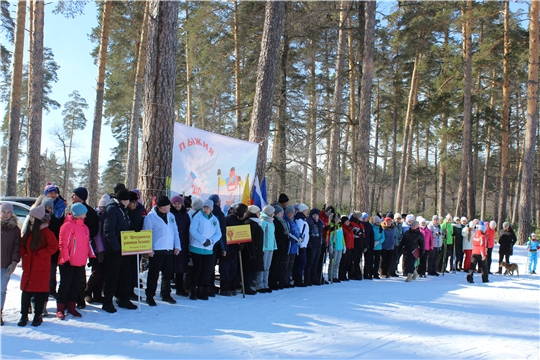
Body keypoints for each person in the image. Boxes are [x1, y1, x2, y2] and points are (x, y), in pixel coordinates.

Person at [18, 205, 58, 327]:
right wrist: (24, 255)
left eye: (32, 217)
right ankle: (24, 315)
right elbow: (22, 245)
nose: (30, 219)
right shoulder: (29, 231)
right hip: (29, 267)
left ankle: (38, 316)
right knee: (26, 292)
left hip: (41, 267)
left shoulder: (47, 232)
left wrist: (41, 254)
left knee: (40, 293)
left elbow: (54, 247)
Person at [56, 203, 95, 320]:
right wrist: (65, 258)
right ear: (78, 213)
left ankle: (72, 306)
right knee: (65, 285)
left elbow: (87, 243)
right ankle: (60, 308)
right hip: (68, 262)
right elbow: (63, 244)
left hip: (80, 261)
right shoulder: (67, 226)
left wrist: (91, 255)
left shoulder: (84, 228)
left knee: (75, 285)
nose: (86, 215)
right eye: (84, 213)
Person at [102, 189, 137, 313]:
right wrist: (116, 247)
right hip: (115, 249)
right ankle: (107, 301)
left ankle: (124, 298)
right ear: (125, 200)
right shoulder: (112, 209)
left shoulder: (122, 209)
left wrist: (134, 231)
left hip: (125, 248)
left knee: (126, 274)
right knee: (112, 276)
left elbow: (125, 225)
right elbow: (108, 230)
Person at [142, 196, 181, 306]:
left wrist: (177, 246)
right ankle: (150, 295)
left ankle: (166, 294)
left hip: (169, 249)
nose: (170, 206)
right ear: (160, 207)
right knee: (153, 275)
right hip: (156, 250)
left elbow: (175, 232)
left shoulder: (171, 216)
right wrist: (148, 249)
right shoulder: (150, 218)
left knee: (167, 275)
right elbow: (146, 234)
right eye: (168, 205)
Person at [189, 199, 222, 300]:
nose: (205, 209)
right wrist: (203, 240)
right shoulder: (198, 216)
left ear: (211, 208)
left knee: (205, 270)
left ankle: (201, 290)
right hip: (197, 247)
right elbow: (193, 230)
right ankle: (193, 290)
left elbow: (218, 233)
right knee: (197, 269)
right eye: (204, 207)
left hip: (208, 248)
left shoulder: (214, 220)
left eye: (207, 207)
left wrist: (211, 241)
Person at [85, 194, 109, 304]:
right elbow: (97, 236)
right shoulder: (98, 216)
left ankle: (98, 294)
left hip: (105, 248)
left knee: (103, 273)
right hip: (97, 249)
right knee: (96, 272)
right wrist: (100, 250)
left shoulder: (106, 215)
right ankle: (88, 291)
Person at [1, 202, 21, 326]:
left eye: (8, 212)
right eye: (3, 211)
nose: (6, 214)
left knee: (1, 290)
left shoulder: (15, 229)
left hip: (5, 264)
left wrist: (14, 262)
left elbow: (17, 247)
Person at [223, 203, 248, 296]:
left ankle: (231, 286)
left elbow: (243, 233)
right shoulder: (229, 219)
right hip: (227, 248)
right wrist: (225, 247)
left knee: (233, 268)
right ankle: (224, 287)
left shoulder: (242, 220)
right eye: (245, 212)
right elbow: (224, 234)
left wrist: (242, 243)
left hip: (236, 248)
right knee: (226, 267)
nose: (246, 214)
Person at [205, 194, 227, 297]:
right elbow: (221, 232)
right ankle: (209, 287)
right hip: (215, 244)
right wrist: (223, 248)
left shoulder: (203, 213)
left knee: (207, 265)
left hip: (204, 243)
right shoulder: (219, 214)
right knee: (211, 266)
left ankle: (206, 286)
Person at [170, 195, 191, 297]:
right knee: (169, 267)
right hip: (172, 243)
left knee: (181, 267)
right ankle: (165, 289)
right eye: (175, 203)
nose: (177, 205)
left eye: (179, 203)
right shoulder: (170, 214)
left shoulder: (186, 215)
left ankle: (180, 288)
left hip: (184, 243)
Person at [257, 205, 277, 292]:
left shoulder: (271, 222)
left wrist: (274, 245)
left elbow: (273, 236)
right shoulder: (263, 222)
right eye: (272, 212)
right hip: (264, 247)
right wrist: (262, 246)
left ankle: (266, 283)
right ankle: (259, 284)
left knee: (267, 266)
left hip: (270, 246)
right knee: (263, 266)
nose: (274, 214)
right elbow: (261, 236)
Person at [270, 205, 288, 291]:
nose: (282, 214)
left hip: (282, 246)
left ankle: (277, 280)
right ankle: (272, 281)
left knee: (279, 265)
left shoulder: (282, 221)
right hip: (277, 246)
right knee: (274, 265)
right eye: (280, 213)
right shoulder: (275, 222)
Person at [305, 208, 323, 286]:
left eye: (317, 215)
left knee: (316, 263)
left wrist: (323, 243)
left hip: (318, 245)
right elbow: (308, 234)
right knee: (310, 263)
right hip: (312, 245)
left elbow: (321, 234)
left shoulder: (319, 223)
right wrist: (309, 244)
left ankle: (314, 278)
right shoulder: (309, 222)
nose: (316, 217)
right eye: (314, 215)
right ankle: (307, 279)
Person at [283, 206, 300, 288]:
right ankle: (284, 280)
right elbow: (288, 233)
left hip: (294, 246)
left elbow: (298, 232)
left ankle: (288, 279)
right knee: (286, 264)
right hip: (289, 246)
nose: (290, 215)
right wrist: (296, 239)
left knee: (290, 264)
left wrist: (300, 238)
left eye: (292, 213)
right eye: (289, 213)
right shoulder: (286, 221)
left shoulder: (294, 222)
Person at [293, 204, 310, 286]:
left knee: (302, 262)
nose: (307, 212)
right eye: (306, 210)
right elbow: (300, 233)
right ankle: (298, 279)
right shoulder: (299, 220)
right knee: (302, 262)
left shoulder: (303, 219)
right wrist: (301, 245)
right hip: (301, 245)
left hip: (304, 245)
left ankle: (298, 278)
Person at [349, 212, 366, 280]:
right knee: (354, 259)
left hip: (361, 244)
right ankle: (352, 273)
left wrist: (365, 244)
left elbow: (363, 234)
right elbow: (354, 234)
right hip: (355, 244)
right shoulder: (352, 223)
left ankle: (357, 272)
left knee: (358, 259)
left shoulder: (361, 224)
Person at [328, 215, 344, 283]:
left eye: (339, 219)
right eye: (336, 219)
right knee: (333, 263)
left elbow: (342, 237)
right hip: (334, 247)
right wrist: (331, 245)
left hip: (340, 247)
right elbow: (330, 237)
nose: (337, 220)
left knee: (337, 262)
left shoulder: (340, 227)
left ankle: (335, 276)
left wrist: (344, 245)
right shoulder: (332, 227)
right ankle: (330, 276)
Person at [339, 216, 354, 281]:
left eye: (348, 221)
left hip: (350, 247)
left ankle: (345, 274)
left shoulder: (349, 228)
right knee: (343, 262)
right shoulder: (342, 228)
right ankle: (342, 275)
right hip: (345, 246)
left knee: (348, 262)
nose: (348, 222)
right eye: (346, 221)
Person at [360, 213, 374, 279]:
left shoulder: (369, 225)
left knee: (368, 260)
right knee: (358, 260)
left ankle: (367, 273)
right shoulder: (360, 224)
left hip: (368, 245)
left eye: (367, 218)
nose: (367, 219)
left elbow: (371, 236)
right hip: (361, 244)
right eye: (365, 218)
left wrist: (372, 244)